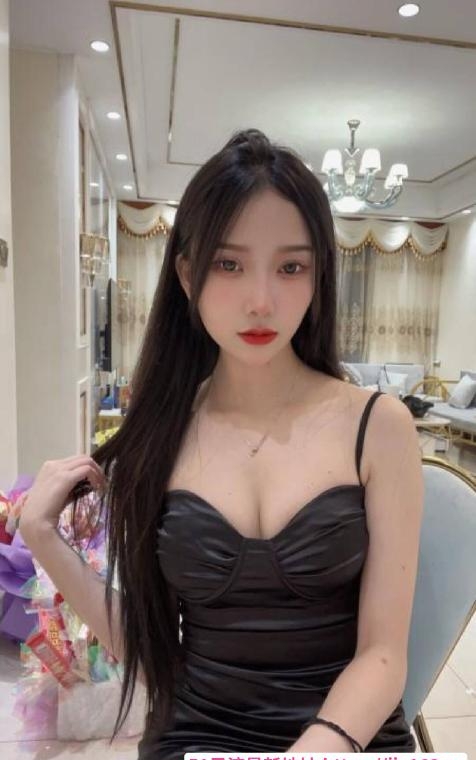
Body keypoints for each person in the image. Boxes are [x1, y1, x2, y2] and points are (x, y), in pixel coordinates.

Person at [19, 129, 424, 758]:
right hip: (198, 732)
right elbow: (150, 646)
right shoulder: (161, 431)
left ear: (318, 275)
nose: (261, 301)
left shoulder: (380, 427)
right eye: (228, 264)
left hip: (348, 734)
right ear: (187, 273)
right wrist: (43, 537)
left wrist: (317, 748)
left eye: (291, 267)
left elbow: (384, 653)